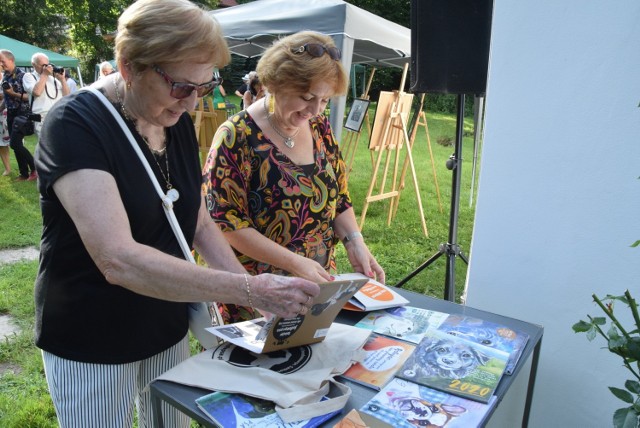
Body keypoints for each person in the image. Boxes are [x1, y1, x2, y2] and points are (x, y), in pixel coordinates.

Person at [33, 1, 319, 427]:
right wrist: (247, 289)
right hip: (91, 330)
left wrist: (257, 301)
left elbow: (199, 221)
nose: (190, 104)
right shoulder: (73, 124)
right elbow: (117, 259)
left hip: (165, 317)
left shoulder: (174, 119)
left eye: (204, 87)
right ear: (128, 67)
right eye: (181, 86)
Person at [203, 31, 384, 324]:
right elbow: (226, 224)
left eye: (325, 100)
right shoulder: (236, 135)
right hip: (259, 298)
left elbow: (337, 195)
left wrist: (354, 241)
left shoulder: (319, 126)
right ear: (276, 83)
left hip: (318, 288)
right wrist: (295, 263)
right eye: (307, 97)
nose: (314, 110)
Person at [0, 49, 36, 181]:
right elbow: (6, 97)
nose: (1, 64)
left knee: (15, 143)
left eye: (3, 61)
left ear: (11, 60)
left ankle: (34, 168)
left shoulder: (24, 75)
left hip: (22, 113)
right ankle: (24, 173)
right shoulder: (6, 76)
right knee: (15, 144)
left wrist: (12, 93)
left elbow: (30, 96)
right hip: (10, 113)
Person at [23, 53, 70, 141]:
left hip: (58, 115)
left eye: (47, 65)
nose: (46, 68)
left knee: (61, 145)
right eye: (43, 65)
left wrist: (62, 80)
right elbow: (37, 92)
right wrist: (44, 75)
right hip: (42, 118)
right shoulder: (29, 76)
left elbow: (67, 96)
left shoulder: (54, 78)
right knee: (47, 145)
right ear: (33, 64)